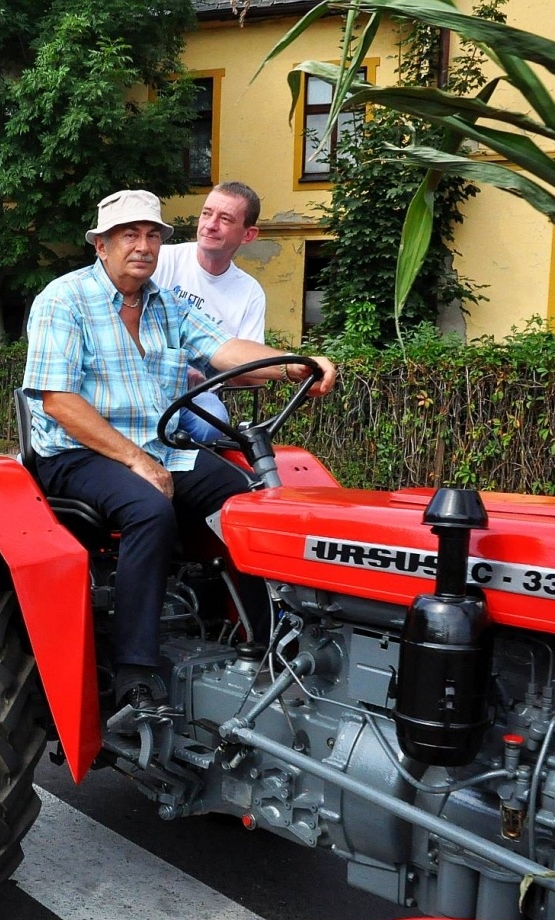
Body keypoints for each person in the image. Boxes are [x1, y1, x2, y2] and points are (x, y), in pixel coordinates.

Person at [22, 188, 336, 717]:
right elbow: (59, 401)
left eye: (152, 235)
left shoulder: (165, 305)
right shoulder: (63, 298)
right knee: (149, 509)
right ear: (101, 245)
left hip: (156, 447)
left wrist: (295, 363)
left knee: (243, 499)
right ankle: (135, 672)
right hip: (76, 451)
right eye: (128, 235)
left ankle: (274, 641)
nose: (143, 246)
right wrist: (135, 459)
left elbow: (225, 350)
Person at [153, 182, 268, 444]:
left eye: (225, 219)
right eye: (206, 213)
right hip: (143, 379)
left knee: (211, 424)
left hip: (197, 396)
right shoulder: (162, 260)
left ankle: (192, 469)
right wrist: (180, 368)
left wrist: (208, 368)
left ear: (248, 235)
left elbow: (252, 375)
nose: (210, 225)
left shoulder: (249, 292)